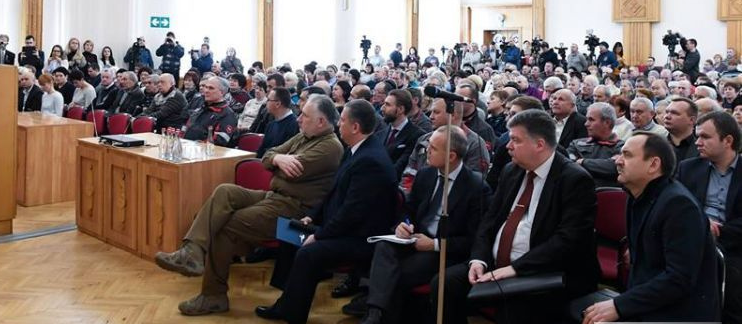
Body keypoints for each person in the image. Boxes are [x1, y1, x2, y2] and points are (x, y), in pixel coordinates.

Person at [154, 95, 343, 316]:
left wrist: (276, 163)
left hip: (294, 212)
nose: (299, 119)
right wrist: (278, 160)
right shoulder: (305, 136)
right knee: (225, 191)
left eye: (305, 116)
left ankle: (213, 295)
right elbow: (267, 156)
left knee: (223, 225)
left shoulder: (330, 147)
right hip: (275, 196)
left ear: (321, 121)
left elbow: (288, 174)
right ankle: (192, 250)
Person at [443, 109, 599, 324]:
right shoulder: (512, 170)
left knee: (514, 310)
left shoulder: (574, 180)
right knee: (445, 284)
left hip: (543, 270)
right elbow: (490, 220)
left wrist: (515, 269)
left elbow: (567, 241)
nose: (508, 146)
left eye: (515, 140)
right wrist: (479, 259)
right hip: (497, 264)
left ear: (539, 145)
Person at [256, 99, 398, 324]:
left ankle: (292, 314)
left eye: (343, 120)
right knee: (290, 231)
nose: (338, 124)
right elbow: (332, 193)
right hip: (343, 227)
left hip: (361, 237)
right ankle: (287, 303)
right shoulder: (355, 150)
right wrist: (312, 216)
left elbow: (352, 213)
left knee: (308, 253)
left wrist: (320, 235)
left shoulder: (370, 161)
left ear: (355, 127)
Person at [582, 133, 720, 323]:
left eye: (627, 155)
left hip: (677, 313)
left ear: (653, 164)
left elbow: (679, 279)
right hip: (649, 301)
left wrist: (619, 306)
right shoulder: (637, 195)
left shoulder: (678, 205)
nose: (618, 161)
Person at [358, 127, 490, 324]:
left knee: (395, 273)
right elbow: (408, 211)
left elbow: (474, 239)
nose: (427, 150)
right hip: (415, 239)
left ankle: (378, 315)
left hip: (444, 251)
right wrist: (404, 225)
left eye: (433, 148)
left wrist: (434, 244)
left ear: (451, 156)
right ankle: (375, 313)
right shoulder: (426, 175)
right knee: (383, 246)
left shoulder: (476, 187)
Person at [676, 111, 742, 323]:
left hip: (733, 246)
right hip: (691, 238)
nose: (697, 142)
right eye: (697, 136)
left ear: (728, 140)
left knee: (732, 287)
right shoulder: (688, 168)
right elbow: (676, 206)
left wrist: (718, 231)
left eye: (705, 137)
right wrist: (702, 225)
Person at [567, 102, 625, 188]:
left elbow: (614, 168)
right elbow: (568, 164)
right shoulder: (576, 144)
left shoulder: (622, 147)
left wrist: (582, 162)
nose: (586, 124)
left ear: (607, 122)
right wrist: (602, 166)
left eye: (591, 120)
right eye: (587, 119)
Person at [183, 77, 237, 146]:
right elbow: (185, 129)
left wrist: (194, 145)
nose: (206, 91)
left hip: (205, 150)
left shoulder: (227, 114)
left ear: (222, 92)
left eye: (211, 88)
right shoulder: (200, 108)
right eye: (206, 87)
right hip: (186, 146)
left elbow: (219, 142)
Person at [378, 89, 426, 165]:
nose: (382, 108)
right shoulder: (381, 132)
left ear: (400, 109)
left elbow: (402, 165)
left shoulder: (416, 135)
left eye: (387, 105)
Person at [256, 87, 299, 158]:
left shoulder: (295, 125)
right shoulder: (271, 125)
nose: (265, 103)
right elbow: (261, 150)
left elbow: (287, 153)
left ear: (278, 104)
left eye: (268, 100)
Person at [664, 97, 700, 165]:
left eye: (674, 113)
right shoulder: (655, 146)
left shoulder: (701, 149)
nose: (667, 116)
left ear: (692, 120)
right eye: (666, 112)